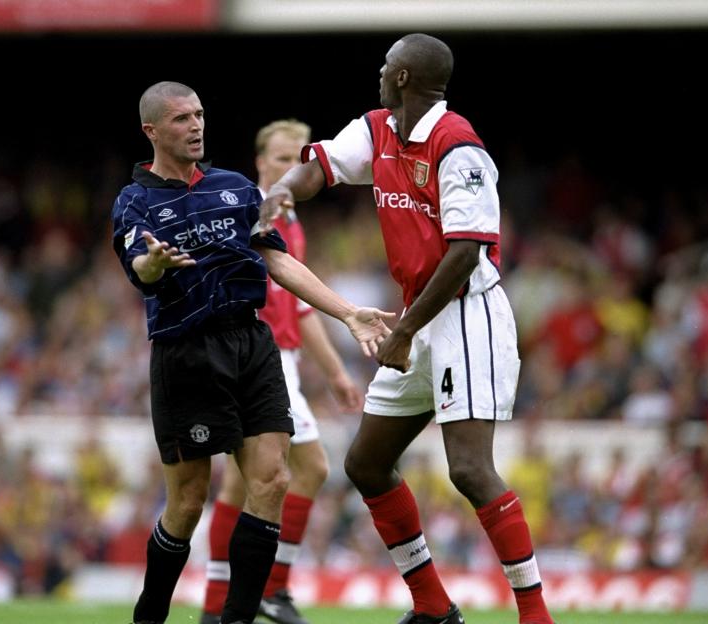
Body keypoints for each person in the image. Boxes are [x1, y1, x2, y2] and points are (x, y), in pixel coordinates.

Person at [259, 34, 555, 624]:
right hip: (418, 317)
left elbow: (466, 252)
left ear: (402, 77)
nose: (379, 70)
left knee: (469, 469)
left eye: (386, 64)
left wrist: (402, 332)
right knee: (366, 463)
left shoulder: (458, 146)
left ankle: (535, 614)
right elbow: (319, 169)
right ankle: (433, 606)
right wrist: (281, 194)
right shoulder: (379, 130)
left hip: (466, 314)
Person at [112, 81, 394, 624]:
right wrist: (154, 265)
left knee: (274, 480)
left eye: (199, 115)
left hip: (251, 342)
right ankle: (149, 616)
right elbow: (139, 269)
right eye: (181, 119)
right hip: (186, 352)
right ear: (152, 131)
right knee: (188, 502)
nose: (196, 126)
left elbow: (278, 261)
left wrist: (347, 312)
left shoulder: (235, 188)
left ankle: (237, 618)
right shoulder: (135, 201)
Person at [199, 120, 362, 624]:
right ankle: (273, 588)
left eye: (300, 160)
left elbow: (301, 309)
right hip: (258, 359)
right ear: (260, 162)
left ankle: (215, 607)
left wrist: (335, 372)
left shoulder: (290, 223)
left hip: (276, 358)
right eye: (282, 158)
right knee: (310, 468)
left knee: (238, 486)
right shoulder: (249, 211)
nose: (292, 168)